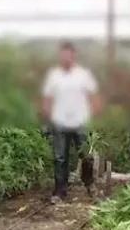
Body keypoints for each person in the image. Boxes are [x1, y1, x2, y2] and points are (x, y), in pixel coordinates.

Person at [41, 41, 101, 202]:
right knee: (60, 157)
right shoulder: (54, 75)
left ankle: (90, 185)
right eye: (63, 55)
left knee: (86, 155)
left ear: (74, 55)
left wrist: (95, 114)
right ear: (60, 56)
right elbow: (47, 97)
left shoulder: (83, 74)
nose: (66, 58)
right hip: (60, 121)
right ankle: (59, 191)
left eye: (69, 55)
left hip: (80, 121)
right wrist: (46, 116)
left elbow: (93, 95)